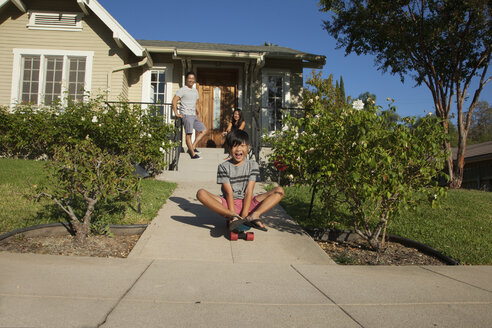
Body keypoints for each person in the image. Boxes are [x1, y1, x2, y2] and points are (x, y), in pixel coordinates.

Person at [197, 129, 284, 231]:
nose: (238, 149)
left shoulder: (253, 165)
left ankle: (255, 215)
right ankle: (231, 215)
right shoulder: (223, 167)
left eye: (242, 146)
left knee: (279, 191)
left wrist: (244, 216)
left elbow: (249, 191)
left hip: (248, 203)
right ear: (229, 148)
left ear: (248, 147)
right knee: (200, 193)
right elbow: (228, 192)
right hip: (229, 205)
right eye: (234, 146)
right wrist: (234, 216)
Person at [172, 72, 207, 159]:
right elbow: (174, 101)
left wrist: (198, 114)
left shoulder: (195, 91)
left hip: (194, 115)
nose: (191, 80)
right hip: (186, 115)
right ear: (186, 79)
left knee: (203, 130)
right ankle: (193, 154)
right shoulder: (182, 90)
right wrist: (176, 113)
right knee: (189, 135)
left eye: (192, 78)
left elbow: (197, 103)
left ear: (194, 80)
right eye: (189, 78)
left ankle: (193, 147)